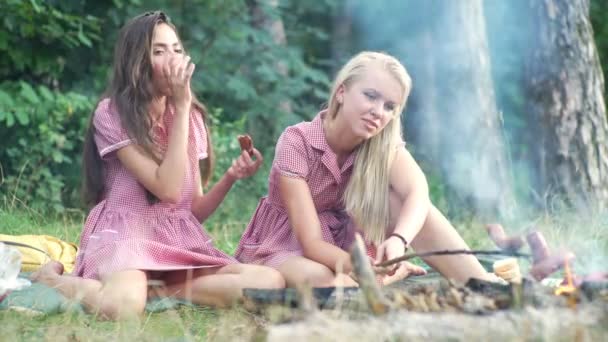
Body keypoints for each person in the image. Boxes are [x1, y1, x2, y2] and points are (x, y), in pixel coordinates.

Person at [32, 11, 284, 320]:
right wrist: (180, 108)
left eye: (177, 49)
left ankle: (157, 292)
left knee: (269, 281)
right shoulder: (110, 114)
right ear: (137, 62)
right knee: (123, 307)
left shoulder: (191, 117)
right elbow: (166, 189)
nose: (173, 59)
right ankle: (53, 279)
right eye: (159, 51)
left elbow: (188, 211)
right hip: (126, 235)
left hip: (174, 241)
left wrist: (230, 177)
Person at [235, 51, 495, 287]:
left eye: (389, 106)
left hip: (345, 239)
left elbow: (418, 191)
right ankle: (388, 275)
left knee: (403, 202)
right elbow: (311, 243)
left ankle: (481, 283)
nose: (377, 112)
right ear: (342, 92)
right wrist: (358, 266)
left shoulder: (381, 143)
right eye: (370, 96)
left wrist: (399, 240)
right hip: (287, 243)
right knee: (328, 284)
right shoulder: (296, 141)